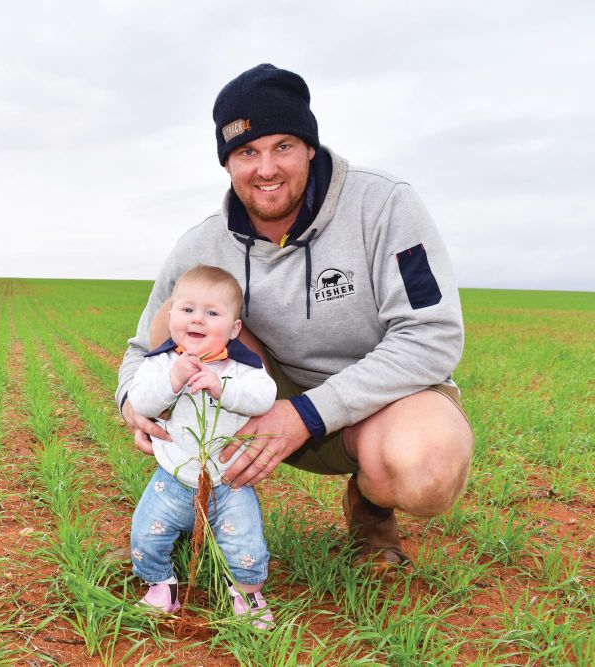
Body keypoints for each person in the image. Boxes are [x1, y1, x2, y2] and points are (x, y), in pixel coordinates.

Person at [117, 64, 474, 580]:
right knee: (174, 320)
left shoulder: (386, 206)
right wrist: (133, 403)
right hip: (259, 395)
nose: (266, 168)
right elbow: (138, 350)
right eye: (246, 153)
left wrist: (307, 415)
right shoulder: (201, 245)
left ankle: (370, 509)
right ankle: (174, 519)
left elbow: (431, 335)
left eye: (283, 145)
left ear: (310, 146)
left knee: (427, 468)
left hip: (377, 403)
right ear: (227, 163)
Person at [128, 265, 276, 628]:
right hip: (173, 477)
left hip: (229, 482)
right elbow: (141, 400)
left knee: (246, 547)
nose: (198, 319)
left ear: (234, 328)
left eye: (212, 313)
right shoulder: (159, 362)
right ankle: (162, 584)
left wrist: (222, 387)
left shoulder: (241, 366)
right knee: (146, 535)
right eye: (187, 309)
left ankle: (246, 591)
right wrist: (173, 379)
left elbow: (265, 395)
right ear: (171, 314)